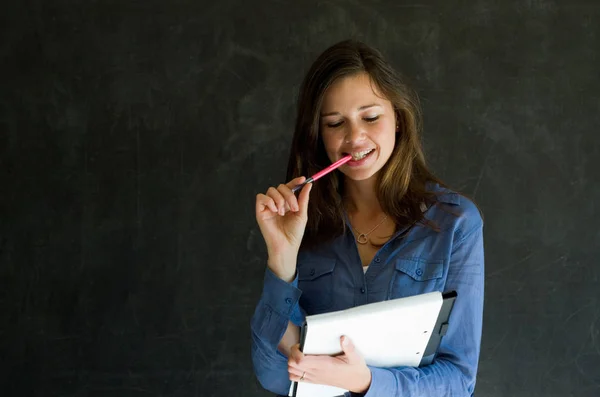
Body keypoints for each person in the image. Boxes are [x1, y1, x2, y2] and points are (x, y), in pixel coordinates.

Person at [250, 39, 484, 397]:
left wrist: (365, 382)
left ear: (399, 120)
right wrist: (282, 259)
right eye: (334, 123)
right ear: (318, 136)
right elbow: (272, 376)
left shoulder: (456, 224)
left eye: (371, 117)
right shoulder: (302, 223)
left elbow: (458, 381)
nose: (354, 137)